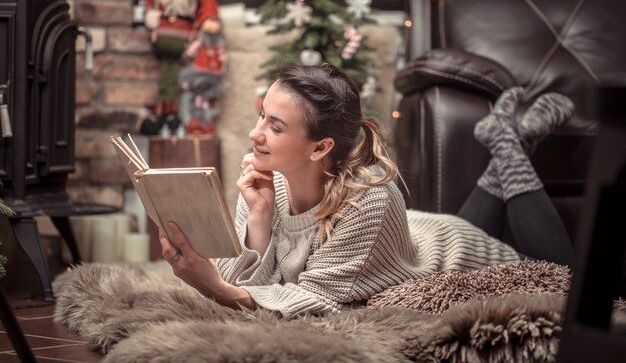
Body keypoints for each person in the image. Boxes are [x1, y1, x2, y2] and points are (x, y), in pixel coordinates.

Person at [158, 64, 574, 319]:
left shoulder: (369, 200)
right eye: (262, 116)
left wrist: (214, 285)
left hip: (458, 253)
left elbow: (311, 301)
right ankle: (510, 142)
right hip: (415, 235)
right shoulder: (264, 181)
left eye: (275, 126)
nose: (255, 133)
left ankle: (506, 144)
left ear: (321, 148)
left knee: (571, 275)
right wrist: (261, 221)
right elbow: (242, 294)